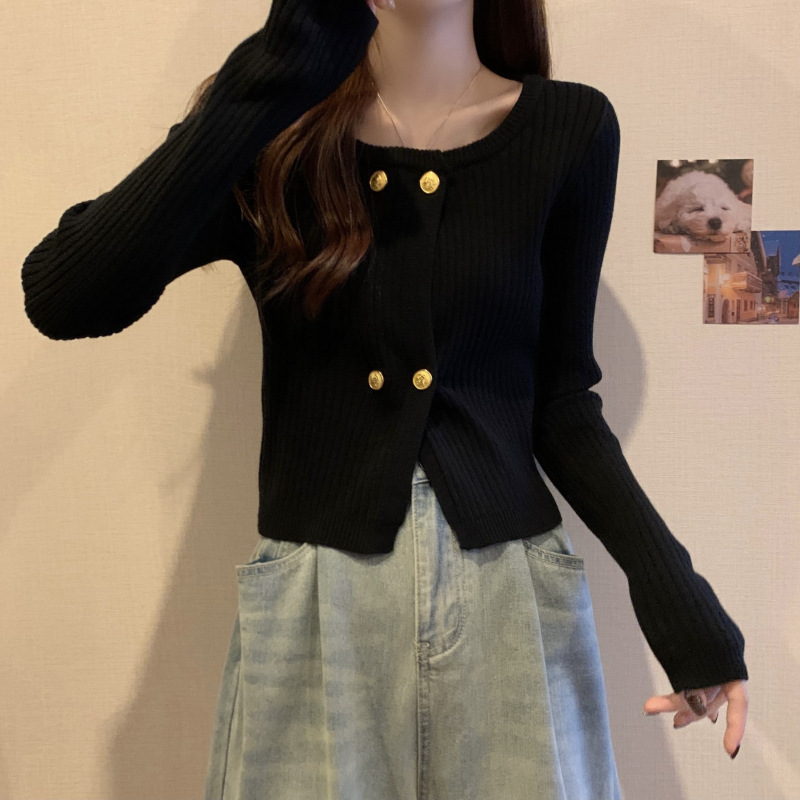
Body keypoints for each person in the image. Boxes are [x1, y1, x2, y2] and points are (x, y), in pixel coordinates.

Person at [20, 0, 749, 797]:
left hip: (508, 598)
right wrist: (280, 65)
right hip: (317, 603)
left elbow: (562, 399)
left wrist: (678, 600)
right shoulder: (275, 127)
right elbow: (66, 295)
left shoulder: (570, 129)